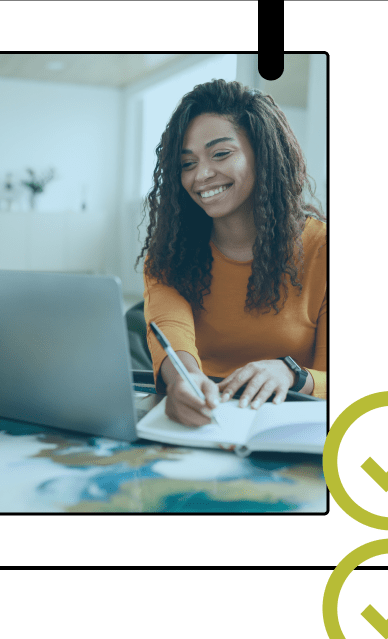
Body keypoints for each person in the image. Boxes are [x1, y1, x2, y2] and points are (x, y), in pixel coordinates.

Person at [137, 79, 326, 428]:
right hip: (202, 422)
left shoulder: (325, 251)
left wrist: (292, 374)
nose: (202, 175)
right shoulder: (168, 254)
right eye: (187, 164)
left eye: (220, 153)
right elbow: (171, 330)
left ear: (264, 152)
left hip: (291, 429)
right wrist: (185, 379)